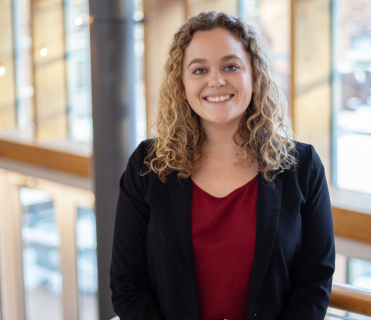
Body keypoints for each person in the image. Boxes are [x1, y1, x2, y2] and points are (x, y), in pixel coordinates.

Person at [110, 11, 335, 320]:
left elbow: (314, 282)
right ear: (182, 85)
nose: (216, 80)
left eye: (231, 66)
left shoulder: (303, 167)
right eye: (199, 69)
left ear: (254, 78)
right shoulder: (148, 165)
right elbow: (128, 285)